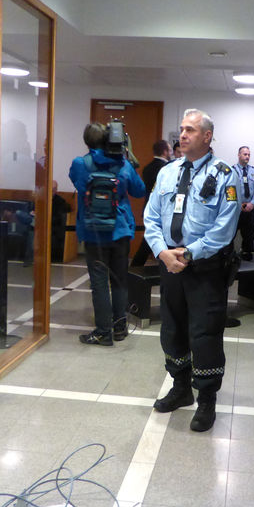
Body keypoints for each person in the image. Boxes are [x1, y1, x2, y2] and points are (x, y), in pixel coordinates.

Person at [143, 108, 240, 432]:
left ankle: (207, 400)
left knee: (205, 334)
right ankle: (181, 388)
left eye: (190, 130)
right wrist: (162, 251)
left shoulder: (226, 174)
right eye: (181, 129)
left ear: (207, 136)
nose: (182, 135)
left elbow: (223, 230)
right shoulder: (168, 173)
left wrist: (187, 253)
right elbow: (151, 218)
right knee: (172, 329)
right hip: (171, 267)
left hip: (205, 269)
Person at [70, 123, 146, 345]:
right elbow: (139, 190)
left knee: (99, 283)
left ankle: (104, 332)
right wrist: (128, 162)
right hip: (120, 231)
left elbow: (77, 182)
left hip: (94, 233)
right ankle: (120, 328)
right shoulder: (123, 165)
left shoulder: (80, 164)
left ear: (87, 142)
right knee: (120, 281)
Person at [131, 140, 171, 267]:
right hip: (162, 211)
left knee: (149, 241)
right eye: (169, 150)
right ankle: (135, 268)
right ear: (165, 151)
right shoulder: (167, 169)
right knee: (150, 243)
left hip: (149, 208)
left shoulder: (147, 168)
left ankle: (135, 267)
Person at [232, 146, 254, 261]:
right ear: (239, 155)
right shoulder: (232, 170)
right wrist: (238, 204)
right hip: (236, 209)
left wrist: (252, 203)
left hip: (250, 209)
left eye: (249, 154)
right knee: (230, 236)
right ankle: (229, 262)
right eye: (245, 154)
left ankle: (248, 261)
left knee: (249, 237)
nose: (247, 157)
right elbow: (229, 190)